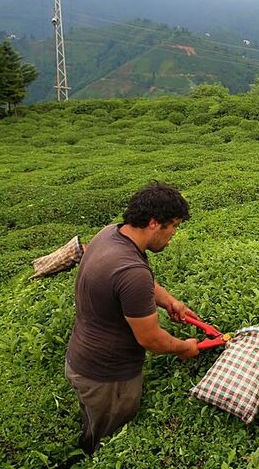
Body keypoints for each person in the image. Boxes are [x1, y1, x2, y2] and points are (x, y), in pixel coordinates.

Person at [65, 181, 201, 454]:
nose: (174, 233)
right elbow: (151, 339)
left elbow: (130, 284)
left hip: (82, 359)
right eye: (173, 225)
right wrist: (185, 347)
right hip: (108, 378)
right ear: (154, 223)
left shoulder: (109, 235)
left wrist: (169, 301)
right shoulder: (131, 271)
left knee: (94, 421)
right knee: (108, 443)